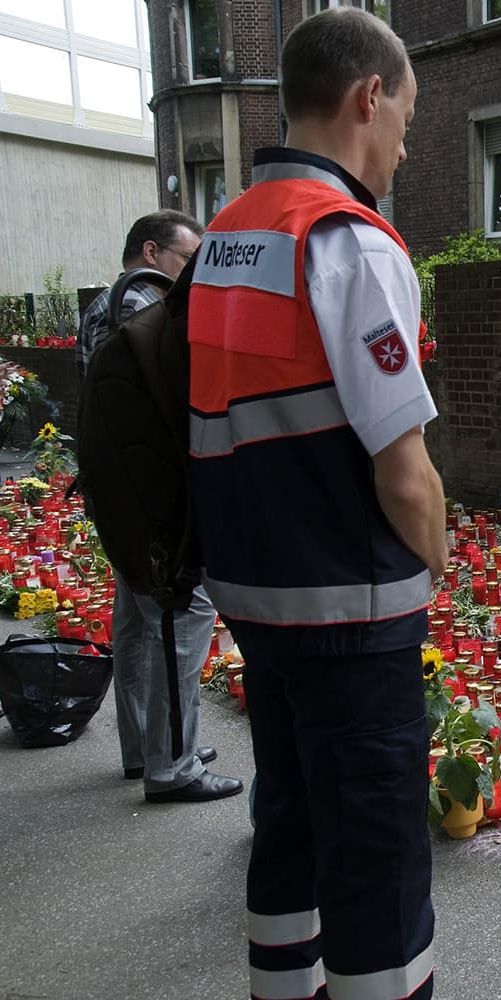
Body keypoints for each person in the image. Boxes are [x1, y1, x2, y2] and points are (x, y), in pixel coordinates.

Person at [186, 9, 444, 999]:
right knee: (377, 860)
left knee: (289, 822)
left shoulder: (224, 238)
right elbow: (402, 467)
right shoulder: (347, 240)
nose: (405, 148)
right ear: (365, 97)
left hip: (258, 595)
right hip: (351, 603)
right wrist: (438, 552)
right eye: (406, 120)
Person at [77, 210, 243, 804]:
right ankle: (172, 763)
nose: (192, 272)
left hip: (114, 490)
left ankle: (143, 746)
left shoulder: (104, 305)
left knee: (134, 619)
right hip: (152, 495)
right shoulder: (145, 309)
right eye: (186, 256)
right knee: (181, 616)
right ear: (152, 252)